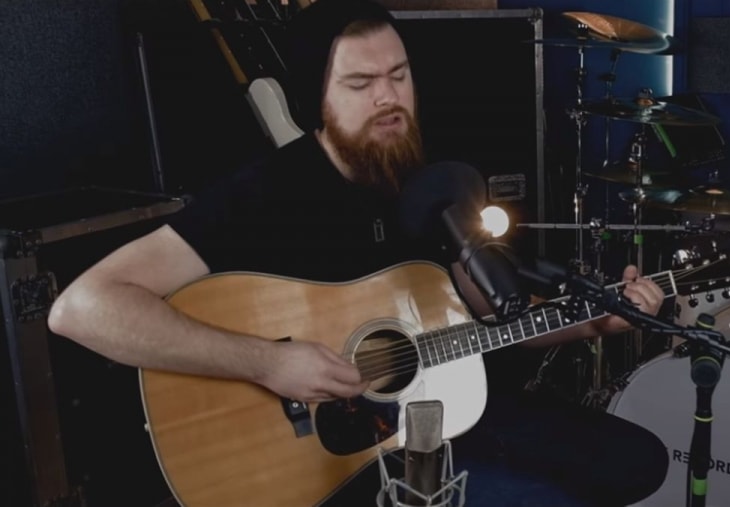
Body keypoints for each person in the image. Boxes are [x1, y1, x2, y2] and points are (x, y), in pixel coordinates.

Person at [48, 0, 668, 505]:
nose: (387, 98)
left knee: (638, 461)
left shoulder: (431, 182)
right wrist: (267, 362)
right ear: (315, 98)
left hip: (433, 416)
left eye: (398, 75)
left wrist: (595, 320)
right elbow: (81, 308)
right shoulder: (261, 195)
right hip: (329, 456)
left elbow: (494, 314)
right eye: (360, 83)